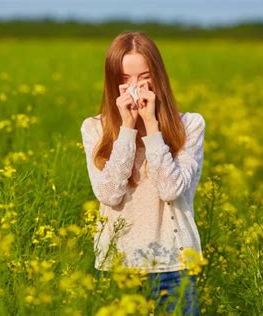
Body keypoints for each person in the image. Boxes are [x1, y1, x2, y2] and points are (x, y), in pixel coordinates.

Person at [80, 31, 205, 315]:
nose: (134, 87)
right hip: (117, 268)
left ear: (158, 77)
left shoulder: (190, 125)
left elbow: (171, 189)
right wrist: (126, 129)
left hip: (174, 266)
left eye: (143, 77)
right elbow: (109, 195)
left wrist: (151, 127)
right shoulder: (94, 128)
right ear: (113, 82)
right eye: (124, 79)